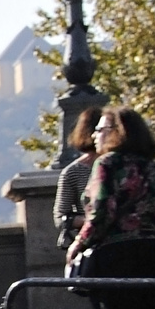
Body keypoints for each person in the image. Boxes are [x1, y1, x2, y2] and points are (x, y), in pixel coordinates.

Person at [68, 106, 155, 309]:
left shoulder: (107, 163)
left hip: (118, 255)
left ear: (116, 132)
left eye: (100, 129)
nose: (94, 135)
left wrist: (79, 244)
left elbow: (102, 212)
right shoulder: (151, 166)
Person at [55, 107, 102, 251]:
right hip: (92, 244)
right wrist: (92, 221)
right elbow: (60, 217)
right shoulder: (73, 172)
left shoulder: (123, 166)